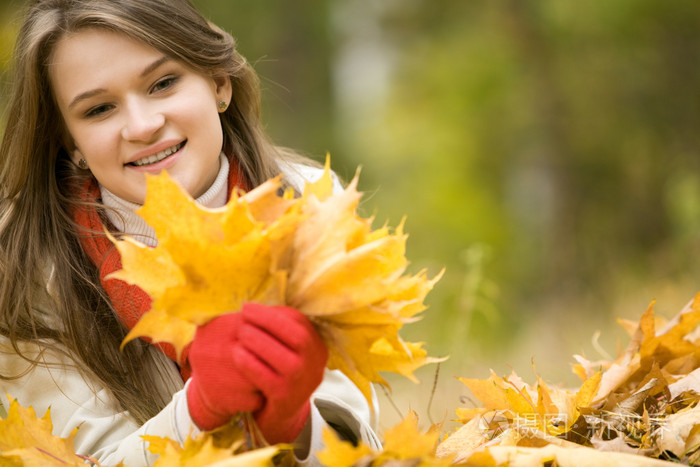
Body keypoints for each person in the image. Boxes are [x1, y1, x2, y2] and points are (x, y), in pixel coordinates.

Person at [0, 0, 381, 465]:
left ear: (219, 83)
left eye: (163, 83)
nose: (143, 125)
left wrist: (295, 425)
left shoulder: (310, 202)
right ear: (69, 142)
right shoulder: (23, 270)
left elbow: (363, 446)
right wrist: (199, 411)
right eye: (100, 109)